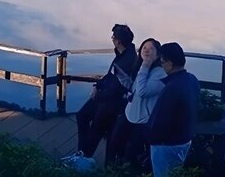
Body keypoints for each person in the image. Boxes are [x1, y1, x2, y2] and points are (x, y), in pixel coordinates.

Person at [76, 23, 138, 160]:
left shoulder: (127, 61)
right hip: (104, 96)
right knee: (82, 116)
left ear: (118, 41)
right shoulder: (122, 55)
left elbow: (117, 88)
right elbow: (110, 76)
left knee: (95, 129)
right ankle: (82, 153)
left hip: (112, 103)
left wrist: (98, 95)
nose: (112, 39)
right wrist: (97, 86)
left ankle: (84, 158)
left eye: (113, 37)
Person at [109, 38, 167, 170]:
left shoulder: (160, 74)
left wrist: (145, 65)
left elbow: (142, 91)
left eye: (151, 48)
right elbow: (134, 88)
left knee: (133, 151)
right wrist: (121, 77)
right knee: (114, 142)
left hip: (142, 120)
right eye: (144, 47)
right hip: (130, 113)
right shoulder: (141, 69)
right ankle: (112, 170)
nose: (146, 50)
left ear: (158, 55)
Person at [146, 42, 199, 177]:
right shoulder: (192, 80)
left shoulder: (171, 88)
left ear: (170, 63)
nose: (162, 66)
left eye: (162, 62)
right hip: (184, 139)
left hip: (167, 145)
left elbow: (160, 122)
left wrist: (148, 138)